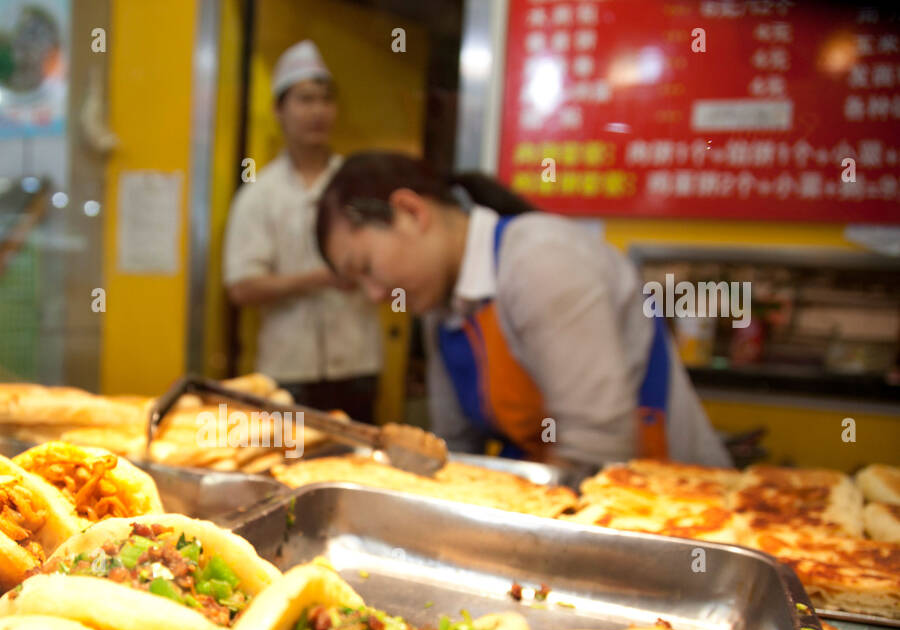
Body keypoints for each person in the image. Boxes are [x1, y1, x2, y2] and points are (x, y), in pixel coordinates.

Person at [313, 151, 732, 467]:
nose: (372, 295)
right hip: (561, 488)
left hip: (664, 506)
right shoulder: (441, 308)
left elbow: (599, 446)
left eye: (366, 267)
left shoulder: (540, 261)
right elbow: (455, 450)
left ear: (409, 211)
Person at [222, 41, 383, 423]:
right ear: (279, 110)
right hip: (287, 372)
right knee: (284, 467)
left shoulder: (359, 185)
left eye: (325, 101)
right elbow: (241, 287)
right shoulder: (259, 195)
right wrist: (320, 279)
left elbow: (390, 262)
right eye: (304, 100)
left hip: (358, 365)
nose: (317, 112)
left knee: (358, 469)